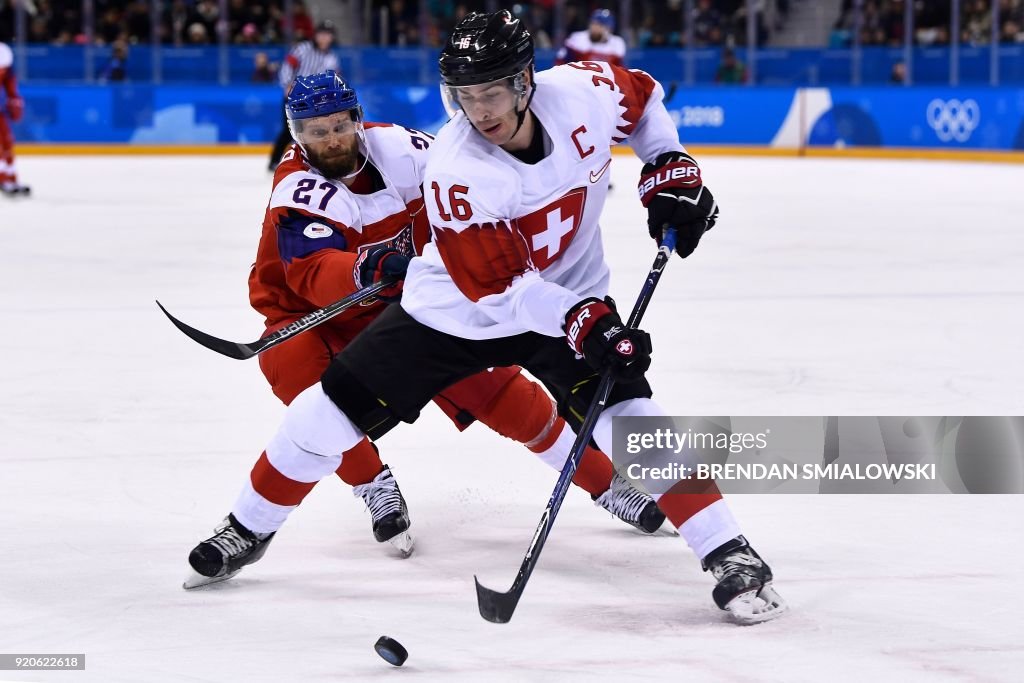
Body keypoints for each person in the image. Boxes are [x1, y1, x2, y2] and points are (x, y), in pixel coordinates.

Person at [187, 10, 788, 623]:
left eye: (492, 91)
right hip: (455, 310)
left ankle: (728, 551)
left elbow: (643, 94)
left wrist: (667, 164)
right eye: (465, 96)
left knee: (629, 416)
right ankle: (249, 526)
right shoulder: (459, 166)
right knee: (328, 411)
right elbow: (499, 287)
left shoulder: (582, 92)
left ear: (526, 79)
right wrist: (583, 318)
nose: (480, 111)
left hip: (565, 296)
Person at [183, 71, 666, 588]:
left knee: (504, 395)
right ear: (295, 135)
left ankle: (604, 482)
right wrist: (369, 268)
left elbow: (469, 196)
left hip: (406, 303)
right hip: (305, 314)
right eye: (313, 132)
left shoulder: (409, 150)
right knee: (308, 392)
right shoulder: (297, 188)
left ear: (357, 119)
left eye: (338, 126)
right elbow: (310, 272)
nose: (329, 141)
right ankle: (366, 487)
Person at [268, 21, 340, 171]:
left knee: (314, 130)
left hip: (315, 101)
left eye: (327, 35)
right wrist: (287, 84)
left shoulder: (331, 58)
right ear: (316, 35)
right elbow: (287, 66)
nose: (324, 38)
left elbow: (333, 78)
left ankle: (312, 161)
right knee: (289, 130)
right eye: (321, 34)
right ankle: (274, 161)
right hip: (294, 96)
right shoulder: (303, 49)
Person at [0, 41, 29, 197]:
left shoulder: (4, 52)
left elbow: (9, 82)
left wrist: (14, 100)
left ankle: (11, 177)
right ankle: (3, 178)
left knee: (7, 141)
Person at [555, 8, 626, 66]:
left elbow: (619, 71)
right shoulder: (577, 38)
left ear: (609, 29)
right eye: (593, 24)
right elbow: (560, 63)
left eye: (599, 25)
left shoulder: (617, 43)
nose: (594, 28)